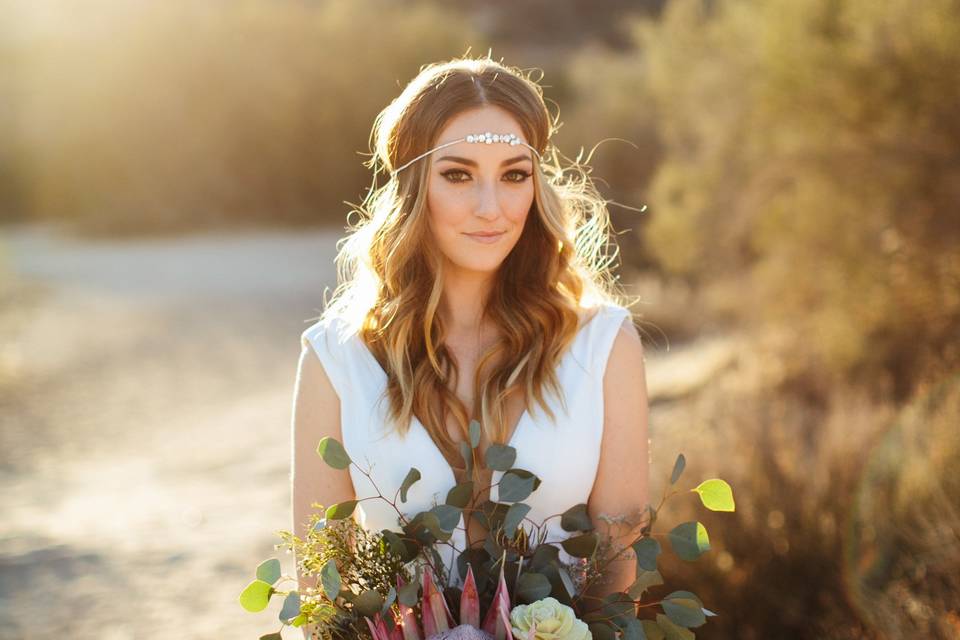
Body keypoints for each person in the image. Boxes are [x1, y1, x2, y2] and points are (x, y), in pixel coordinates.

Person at [291, 55, 649, 638]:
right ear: (413, 186)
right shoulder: (337, 359)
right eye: (458, 175)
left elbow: (618, 573)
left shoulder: (603, 345)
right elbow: (322, 595)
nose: (492, 208)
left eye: (514, 175)